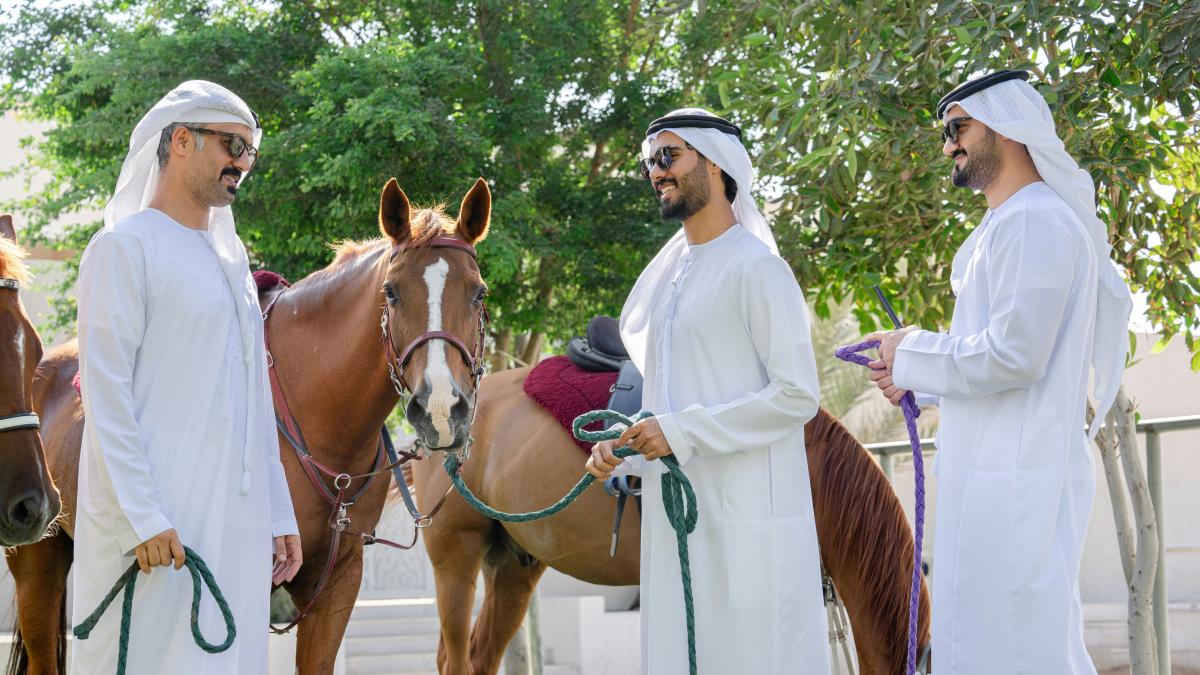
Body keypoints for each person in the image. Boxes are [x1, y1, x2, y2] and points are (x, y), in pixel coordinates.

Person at [864, 70, 1133, 674]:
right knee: (985, 646)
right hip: (988, 481)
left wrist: (911, 348)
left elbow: (1017, 354)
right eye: (945, 133)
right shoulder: (1003, 227)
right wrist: (917, 377)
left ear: (1007, 128)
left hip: (1020, 482)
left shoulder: (1036, 221)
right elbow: (989, 354)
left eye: (958, 128)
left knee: (1023, 650)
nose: (948, 145)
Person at [586, 108, 830, 674]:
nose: (656, 172)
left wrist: (679, 431)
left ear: (716, 164)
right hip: (678, 531)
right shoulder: (671, 278)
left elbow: (797, 396)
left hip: (747, 530)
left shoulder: (756, 268)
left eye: (668, 157)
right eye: (649, 162)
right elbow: (670, 408)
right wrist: (627, 446)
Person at [72, 80, 302, 673]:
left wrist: (278, 513)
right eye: (232, 146)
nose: (243, 164)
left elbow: (255, 402)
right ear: (180, 141)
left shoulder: (233, 265)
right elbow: (106, 395)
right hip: (155, 535)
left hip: (236, 524)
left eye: (251, 152)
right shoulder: (123, 247)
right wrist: (142, 517)